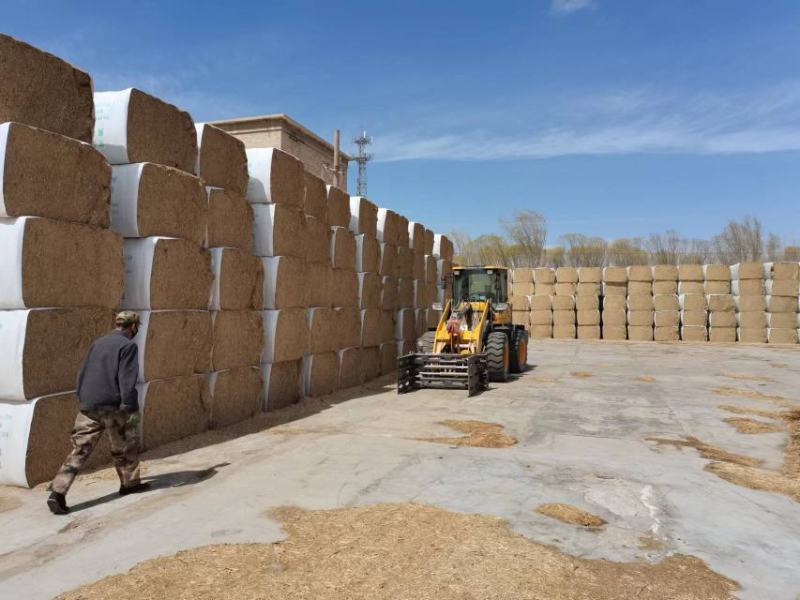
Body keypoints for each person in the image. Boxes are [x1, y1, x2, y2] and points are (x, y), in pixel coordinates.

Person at [47, 311, 150, 514]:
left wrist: (84, 397)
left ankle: (57, 492)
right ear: (133, 326)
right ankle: (129, 484)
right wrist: (130, 408)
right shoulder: (128, 346)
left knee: (80, 449)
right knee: (125, 446)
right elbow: (126, 380)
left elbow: (82, 373)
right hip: (113, 406)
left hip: (89, 405)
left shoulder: (98, 343)